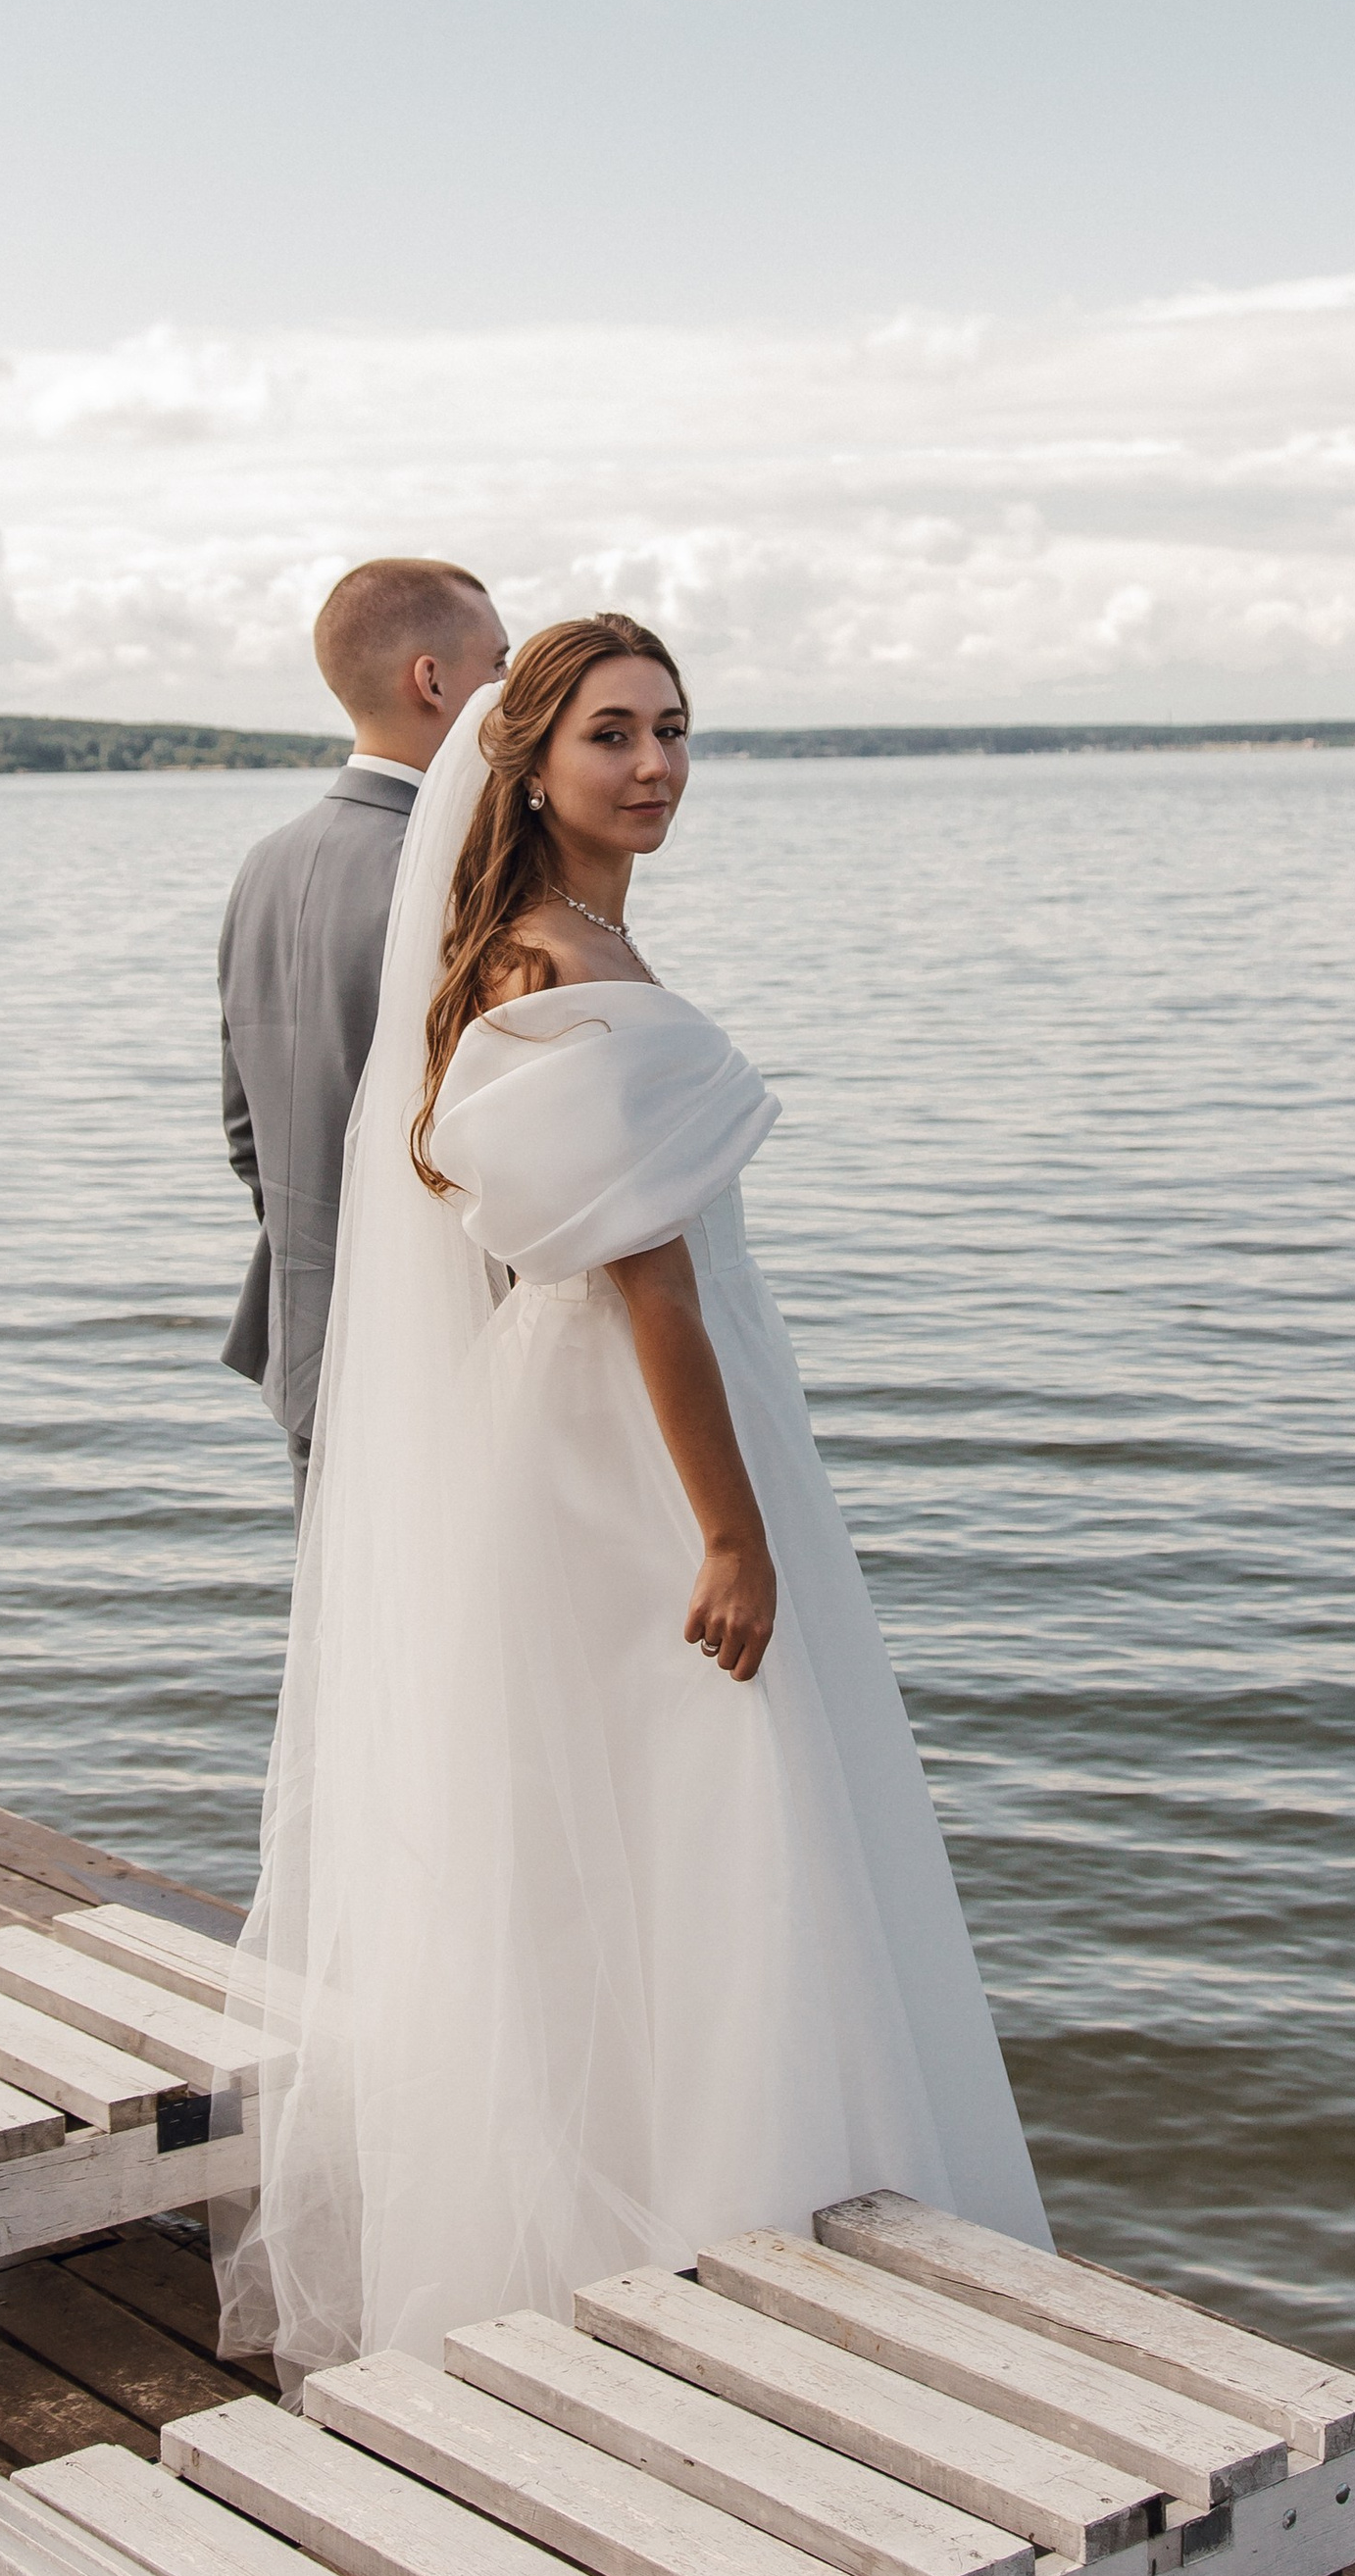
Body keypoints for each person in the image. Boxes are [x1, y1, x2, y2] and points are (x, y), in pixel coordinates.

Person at [220, 612, 1046, 2378]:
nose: (658, 763)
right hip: (627, 1447)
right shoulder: (542, 963)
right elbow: (647, 1278)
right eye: (614, 733)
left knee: (642, 1825)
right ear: (528, 764)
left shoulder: (568, 936)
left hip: (590, 1419)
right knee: (701, 1795)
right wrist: (732, 1532)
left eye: (676, 728)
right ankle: (712, 2243)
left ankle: (688, 2208)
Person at [218, 557, 509, 1510]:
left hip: (305, 1345)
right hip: (443, 1351)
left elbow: (244, 1131)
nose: (514, 698)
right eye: (498, 668)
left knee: (351, 1652)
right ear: (433, 683)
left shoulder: (264, 865)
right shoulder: (460, 881)